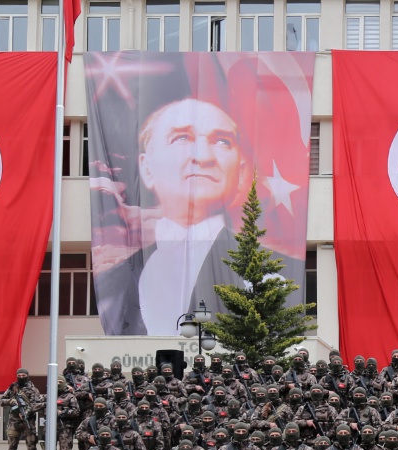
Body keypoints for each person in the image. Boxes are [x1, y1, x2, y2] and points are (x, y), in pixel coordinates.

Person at [94, 97, 306, 338]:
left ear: (241, 173)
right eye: (182, 138)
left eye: (222, 141)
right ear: (147, 168)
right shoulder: (114, 282)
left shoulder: (286, 273)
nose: (204, 157)